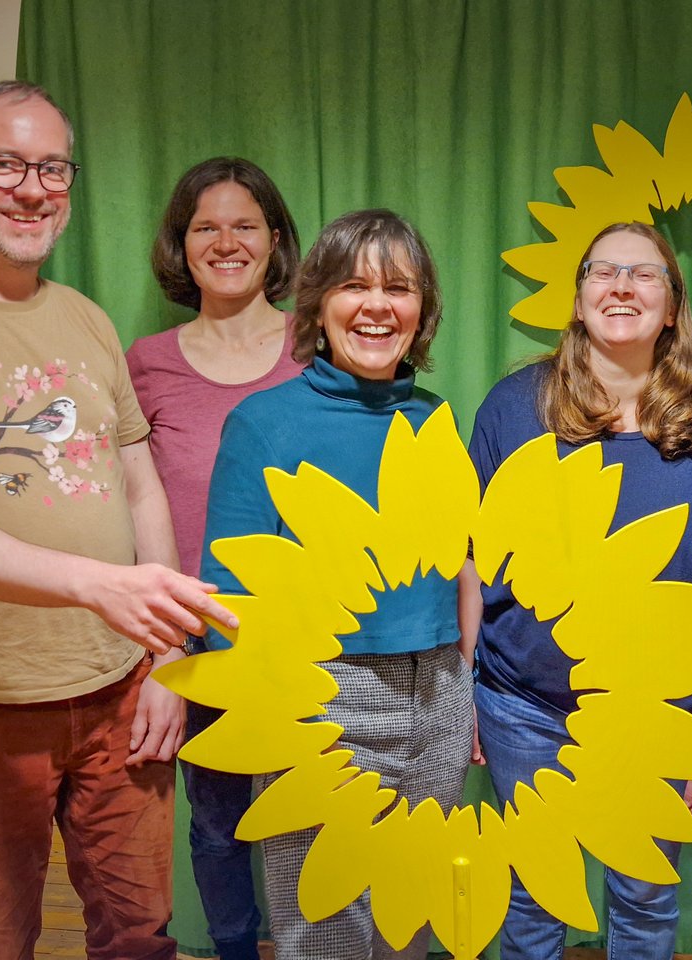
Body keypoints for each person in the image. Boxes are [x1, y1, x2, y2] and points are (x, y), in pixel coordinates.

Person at [0, 81, 236, 959]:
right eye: (3, 164)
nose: (33, 189)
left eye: (52, 168)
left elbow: (140, 487)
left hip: (121, 693)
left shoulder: (86, 319)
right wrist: (103, 586)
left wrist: (165, 651)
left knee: (138, 934)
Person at [464, 222, 692, 959]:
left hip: (659, 718)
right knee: (532, 901)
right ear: (577, 297)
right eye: (603, 271)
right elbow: (471, 557)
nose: (621, 285)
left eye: (644, 274)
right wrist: (466, 686)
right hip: (522, 705)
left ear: (671, 308)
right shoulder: (511, 409)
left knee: (646, 901)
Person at [201, 208, 472, 960]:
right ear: (319, 303)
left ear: (422, 312)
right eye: (355, 284)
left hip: (439, 690)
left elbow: (456, 564)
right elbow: (229, 592)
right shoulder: (264, 423)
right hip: (322, 697)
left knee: (408, 914)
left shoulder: (435, 418)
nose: (378, 305)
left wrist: (464, 681)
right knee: (322, 928)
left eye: (400, 287)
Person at [126, 156, 304, 960]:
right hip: (199, 640)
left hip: (314, 635)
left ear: (275, 240)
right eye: (206, 226)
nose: (226, 242)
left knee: (315, 820)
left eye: (245, 224)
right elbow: (130, 504)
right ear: (180, 243)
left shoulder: (323, 344)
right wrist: (165, 652)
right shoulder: (146, 362)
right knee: (220, 826)